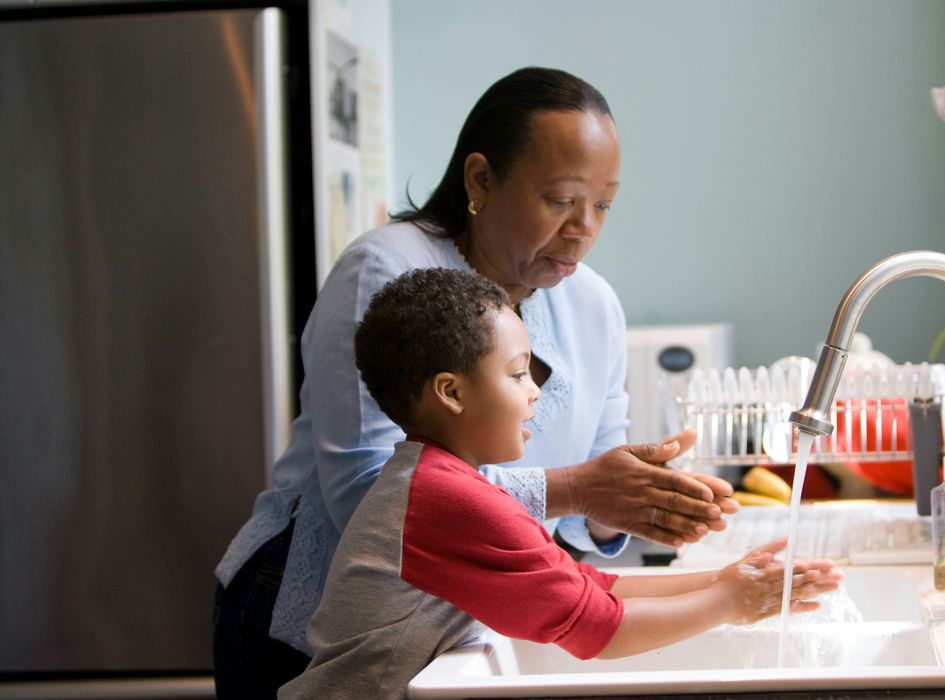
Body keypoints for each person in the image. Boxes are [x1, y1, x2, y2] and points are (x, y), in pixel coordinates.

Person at [213, 66, 740, 697]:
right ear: (481, 179)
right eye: (561, 200)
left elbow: (580, 517)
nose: (584, 229)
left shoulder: (594, 305)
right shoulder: (387, 269)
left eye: (602, 205)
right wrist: (575, 488)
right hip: (309, 625)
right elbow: (369, 495)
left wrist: (634, 502)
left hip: (455, 630)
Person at [277, 268, 842, 698]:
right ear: (450, 392)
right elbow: (600, 628)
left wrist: (719, 580)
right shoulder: (443, 498)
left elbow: (587, 583)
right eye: (519, 372)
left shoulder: (442, 481)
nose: (535, 392)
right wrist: (730, 602)